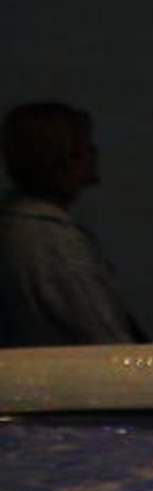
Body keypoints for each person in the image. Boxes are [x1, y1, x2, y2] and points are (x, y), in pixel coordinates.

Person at [0, 101, 145, 347]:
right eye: (85, 147)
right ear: (63, 158)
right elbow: (104, 336)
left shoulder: (18, 228)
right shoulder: (52, 242)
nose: (94, 154)